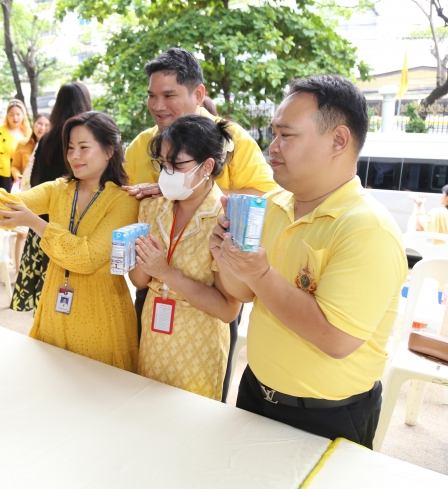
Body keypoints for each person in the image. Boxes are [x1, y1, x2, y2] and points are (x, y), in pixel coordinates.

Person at [212, 75, 406, 449]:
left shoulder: (367, 228)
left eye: (287, 135)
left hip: (327, 415)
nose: (273, 147)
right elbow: (243, 294)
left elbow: (335, 338)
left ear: (338, 140)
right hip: (256, 392)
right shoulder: (274, 207)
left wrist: (260, 272)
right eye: (274, 134)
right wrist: (226, 258)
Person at [0, 111, 140, 370]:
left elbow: (86, 257)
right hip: (54, 302)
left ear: (109, 151)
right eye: (70, 147)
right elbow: (5, 202)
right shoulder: (59, 189)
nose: (74, 155)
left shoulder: (124, 200)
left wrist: (35, 223)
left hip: (101, 311)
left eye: (84, 147)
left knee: (97, 388)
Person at [121, 48, 277, 401]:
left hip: (203, 323)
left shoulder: (231, 142)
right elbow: (124, 196)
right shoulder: (144, 144)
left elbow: (270, 198)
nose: (158, 105)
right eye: (152, 96)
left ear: (197, 94)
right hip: (153, 309)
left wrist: (216, 201)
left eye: (169, 95)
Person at [129, 115, 240, 400]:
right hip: (153, 338)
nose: (167, 173)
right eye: (163, 164)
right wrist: (140, 261)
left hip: (198, 348)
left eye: (177, 165)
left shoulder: (227, 219)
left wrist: (165, 272)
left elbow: (228, 310)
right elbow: (139, 281)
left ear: (207, 166)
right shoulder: (153, 209)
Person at [13, 83, 92, 313]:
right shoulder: (89, 141)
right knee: (75, 301)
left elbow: (36, 184)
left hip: (43, 225)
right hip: (76, 227)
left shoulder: (46, 140)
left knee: (45, 301)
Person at [9, 113, 52, 266]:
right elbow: (14, 165)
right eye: (40, 124)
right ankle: (17, 269)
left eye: (47, 125)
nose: (43, 127)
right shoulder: (23, 144)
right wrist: (18, 175)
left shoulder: (51, 146)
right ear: (34, 124)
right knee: (21, 234)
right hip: (25, 190)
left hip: (42, 195)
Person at [0, 99, 31, 191]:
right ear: (7, 115)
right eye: (11, 114)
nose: (15, 118)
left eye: (18, 114)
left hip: (18, 176)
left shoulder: (28, 134)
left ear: (23, 116)